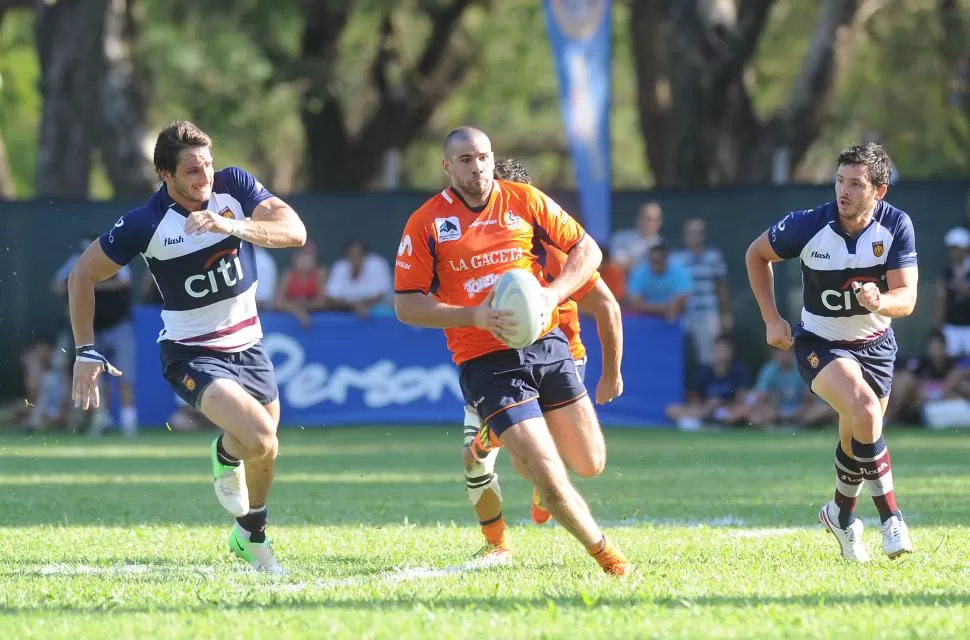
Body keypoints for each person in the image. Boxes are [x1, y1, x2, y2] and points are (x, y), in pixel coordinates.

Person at [68, 120, 307, 574]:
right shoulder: (146, 223)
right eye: (193, 172)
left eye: (208, 165)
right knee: (262, 436)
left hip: (250, 345)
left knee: (261, 446)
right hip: (191, 352)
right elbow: (82, 274)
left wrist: (229, 225)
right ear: (166, 175)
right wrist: (85, 349)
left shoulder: (233, 187)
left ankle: (239, 503)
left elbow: (294, 232)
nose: (206, 178)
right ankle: (254, 531)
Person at [394, 126, 630, 576]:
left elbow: (588, 250)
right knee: (547, 472)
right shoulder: (425, 223)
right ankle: (609, 559)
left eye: (483, 156)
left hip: (548, 345)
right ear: (447, 166)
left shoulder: (525, 200)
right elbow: (406, 304)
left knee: (590, 463)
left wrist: (551, 295)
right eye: (465, 159)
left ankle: (491, 436)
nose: (477, 166)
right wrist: (475, 316)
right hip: (486, 361)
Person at [745, 142, 917, 563]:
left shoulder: (896, 226)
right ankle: (891, 518)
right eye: (840, 181)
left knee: (857, 433)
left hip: (875, 345)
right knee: (865, 411)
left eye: (856, 184)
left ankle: (839, 514)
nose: (844, 191)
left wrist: (880, 301)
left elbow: (907, 299)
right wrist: (771, 318)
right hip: (820, 343)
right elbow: (756, 254)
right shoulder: (809, 225)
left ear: (879, 191)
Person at [459, 156, 624, 545]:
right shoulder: (466, 253)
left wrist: (612, 373)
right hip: (493, 364)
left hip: (558, 358)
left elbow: (607, 307)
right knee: (474, 462)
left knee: (552, 460)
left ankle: (541, 484)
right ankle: (495, 546)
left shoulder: (555, 253)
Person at [54, 235, 138, 437]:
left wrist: (91, 283)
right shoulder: (76, 261)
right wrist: (83, 284)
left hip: (118, 325)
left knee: (125, 374)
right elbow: (58, 284)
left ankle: (129, 423)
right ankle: (101, 420)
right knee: (95, 377)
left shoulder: (114, 256)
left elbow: (125, 282)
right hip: (92, 329)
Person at [671, 219, 733, 370]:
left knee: (708, 359)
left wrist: (725, 314)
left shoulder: (714, 257)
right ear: (684, 236)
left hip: (708, 315)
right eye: (691, 233)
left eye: (699, 233)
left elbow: (722, 288)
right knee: (683, 357)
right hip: (683, 316)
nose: (695, 237)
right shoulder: (676, 260)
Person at [665, 334, 749, 430]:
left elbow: (741, 399)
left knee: (743, 410)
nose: (721, 354)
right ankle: (707, 422)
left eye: (724, 350)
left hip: (727, 410)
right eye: (718, 350)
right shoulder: (705, 372)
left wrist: (721, 403)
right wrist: (707, 406)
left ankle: (715, 423)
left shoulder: (739, 370)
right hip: (705, 410)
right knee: (671, 410)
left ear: (731, 352)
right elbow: (694, 398)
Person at [625, 242, 692, 322]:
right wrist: (666, 309)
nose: (656, 264)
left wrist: (645, 307)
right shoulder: (639, 272)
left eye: (660, 261)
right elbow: (635, 302)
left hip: (675, 320)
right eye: (654, 261)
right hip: (644, 319)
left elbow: (682, 300)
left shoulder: (680, 272)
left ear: (667, 259)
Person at [325, 240, 394, 317]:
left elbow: (380, 294)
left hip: (378, 310)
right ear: (346, 255)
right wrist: (354, 305)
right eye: (351, 254)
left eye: (359, 254)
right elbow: (331, 296)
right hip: (347, 310)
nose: (355, 258)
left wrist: (361, 304)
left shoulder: (377, 263)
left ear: (365, 255)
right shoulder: (340, 266)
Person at [275, 241, 328, 328]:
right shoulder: (288, 274)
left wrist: (306, 306)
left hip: (317, 321)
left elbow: (322, 301)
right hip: (289, 321)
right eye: (303, 255)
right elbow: (278, 302)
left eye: (311, 255)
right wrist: (297, 311)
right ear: (295, 258)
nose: (307, 259)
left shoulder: (320, 274)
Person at [935, 227, 970, 356]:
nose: (954, 252)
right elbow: (941, 300)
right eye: (952, 248)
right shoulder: (947, 272)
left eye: (958, 248)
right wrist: (938, 328)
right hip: (951, 327)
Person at [609, 201, 663, 271]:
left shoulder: (661, 245)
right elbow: (616, 263)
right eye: (648, 219)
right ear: (638, 219)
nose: (652, 223)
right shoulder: (620, 237)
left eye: (656, 220)